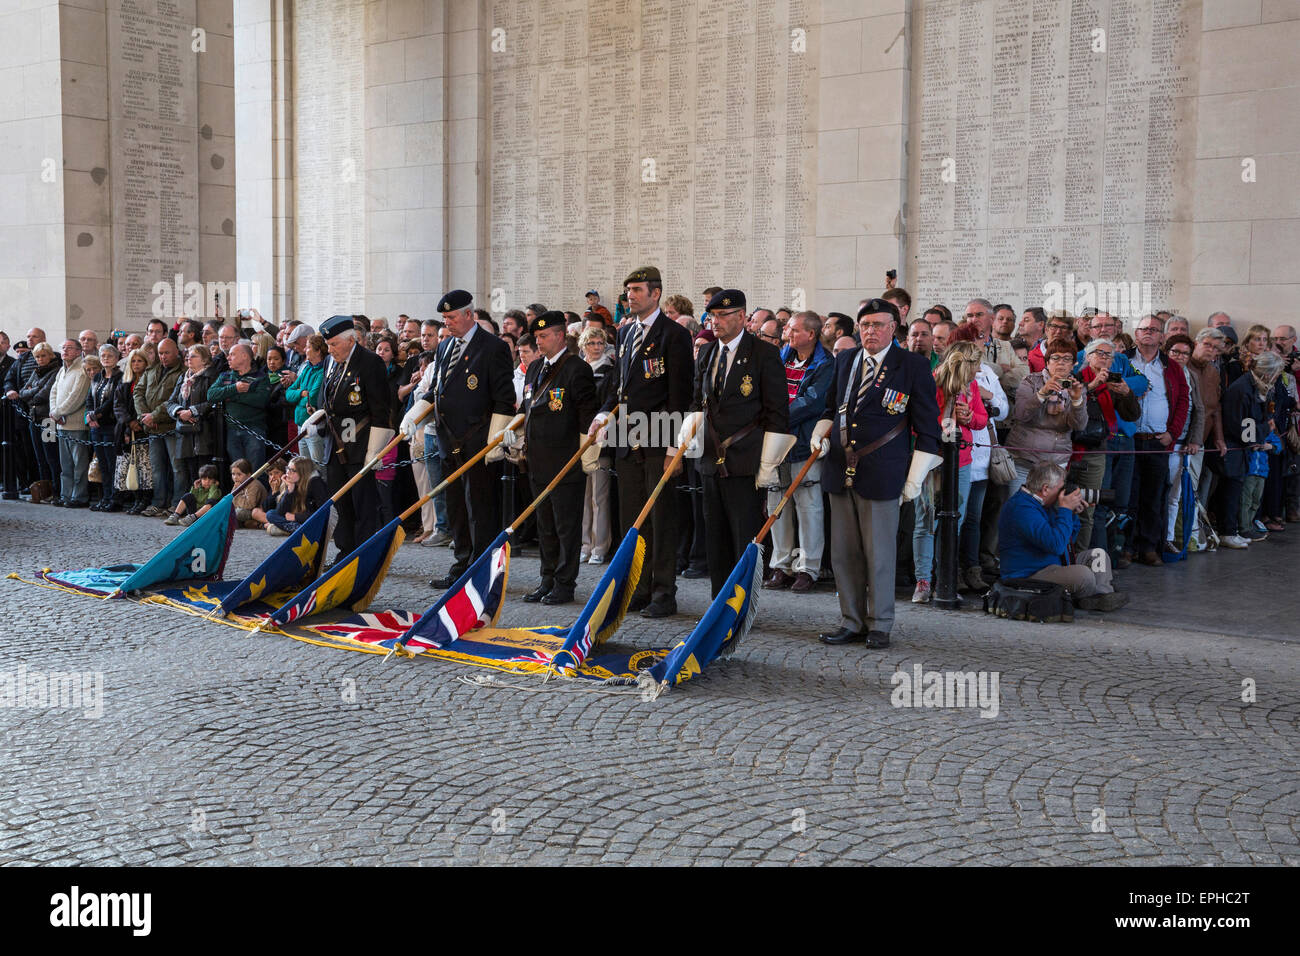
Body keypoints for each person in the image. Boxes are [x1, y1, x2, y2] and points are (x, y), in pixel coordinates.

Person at [814, 298, 941, 648]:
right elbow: (830, 406)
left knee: (879, 554)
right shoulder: (845, 360)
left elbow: (927, 427)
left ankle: (880, 623)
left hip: (884, 471)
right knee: (843, 553)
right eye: (865, 324)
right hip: (841, 469)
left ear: (894, 327)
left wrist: (916, 475)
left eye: (879, 324)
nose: (871, 331)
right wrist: (820, 433)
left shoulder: (911, 366)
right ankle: (851, 620)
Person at [587, 266, 694, 618]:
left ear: (655, 293)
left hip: (658, 437)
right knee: (633, 518)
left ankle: (664, 591)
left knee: (661, 517)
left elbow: (679, 395)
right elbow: (620, 387)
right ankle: (640, 586)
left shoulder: (673, 335)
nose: (629, 296)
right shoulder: (628, 331)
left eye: (636, 289)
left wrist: (672, 450)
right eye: (628, 290)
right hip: (625, 438)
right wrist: (603, 416)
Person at [401, 292, 512, 587]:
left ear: (468, 315)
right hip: (447, 440)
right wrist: (414, 415)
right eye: (445, 319)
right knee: (456, 506)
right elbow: (437, 389)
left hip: (477, 441)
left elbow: (504, 400)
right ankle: (462, 562)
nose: (447, 324)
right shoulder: (446, 345)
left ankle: (481, 566)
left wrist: (495, 443)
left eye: (451, 318)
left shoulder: (493, 348)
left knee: (479, 507)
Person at [687, 290, 790, 598]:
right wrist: (688, 438)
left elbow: (777, 412)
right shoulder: (706, 353)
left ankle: (741, 603)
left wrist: (770, 462)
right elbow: (697, 402)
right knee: (714, 536)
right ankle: (719, 602)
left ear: (742, 318)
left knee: (744, 536)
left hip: (746, 460)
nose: (714, 322)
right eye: (711, 316)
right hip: (710, 459)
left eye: (722, 316)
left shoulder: (763, 354)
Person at [512, 311, 598, 606]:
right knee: (545, 526)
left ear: (560, 336)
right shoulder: (535, 368)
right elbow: (529, 409)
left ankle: (565, 583)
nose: (539, 341)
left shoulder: (576, 369)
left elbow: (587, 419)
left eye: (544, 336)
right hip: (536, 460)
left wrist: (584, 457)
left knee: (566, 527)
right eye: (536, 337)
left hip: (565, 462)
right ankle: (546, 579)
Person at [911, 339, 988, 603]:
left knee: (955, 521)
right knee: (926, 521)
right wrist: (942, 423)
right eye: (976, 365)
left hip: (962, 461)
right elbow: (917, 420)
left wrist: (968, 418)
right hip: (932, 459)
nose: (979, 371)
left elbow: (982, 420)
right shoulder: (932, 382)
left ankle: (944, 579)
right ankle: (923, 580)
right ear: (966, 364)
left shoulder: (972, 387)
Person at [764, 310, 835, 593]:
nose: (788, 334)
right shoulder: (782, 357)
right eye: (787, 329)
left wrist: (776, 417)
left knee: (809, 507)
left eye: (794, 330)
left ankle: (808, 568)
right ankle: (781, 565)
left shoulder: (824, 364)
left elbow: (812, 402)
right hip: (775, 441)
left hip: (803, 442)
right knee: (776, 505)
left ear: (811, 334)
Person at [997, 462, 1128, 610]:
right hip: (1029, 575)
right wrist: (1065, 509)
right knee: (1083, 575)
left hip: (1052, 565)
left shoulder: (1043, 503)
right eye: (1060, 488)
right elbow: (1056, 545)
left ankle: (1101, 595)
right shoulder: (1021, 508)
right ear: (1046, 489)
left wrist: (1071, 514)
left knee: (1098, 554)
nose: (1063, 493)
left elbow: (1067, 540)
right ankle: (1091, 597)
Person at [317, 315, 395, 560]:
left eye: (334, 345)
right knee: (340, 501)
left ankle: (363, 553)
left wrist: (375, 451)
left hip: (361, 445)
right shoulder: (331, 361)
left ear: (351, 340)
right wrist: (317, 421)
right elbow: (326, 397)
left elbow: (381, 410)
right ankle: (345, 550)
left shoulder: (370, 363)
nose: (330, 350)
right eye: (328, 345)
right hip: (335, 444)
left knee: (363, 503)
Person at [1128, 314, 1190, 565]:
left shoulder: (1171, 367)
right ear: (1136, 334)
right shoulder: (1123, 361)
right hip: (1129, 440)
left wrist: (1173, 434)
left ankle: (1149, 547)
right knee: (1128, 496)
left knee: (1154, 497)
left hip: (1157, 441)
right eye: (1144, 329)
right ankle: (1126, 547)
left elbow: (1184, 401)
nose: (1149, 333)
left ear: (1162, 337)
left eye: (1154, 330)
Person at [1069, 338, 1138, 550]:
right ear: (1088, 356)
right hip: (1071, 449)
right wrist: (1092, 386)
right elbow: (1069, 407)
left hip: (1097, 451)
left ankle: (1083, 556)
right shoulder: (1075, 378)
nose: (1105, 358)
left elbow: (1132, 415)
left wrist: (1127, 393)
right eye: (1100, 353)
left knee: (1088, 507)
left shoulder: (1113, 383)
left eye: (1109, 355)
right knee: (1064, 505)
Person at [1216, 350, 1283, 548]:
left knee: (1237, 490)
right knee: (1231, 489)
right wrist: (1266, 428)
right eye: (1276, 373)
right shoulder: (1242, 389)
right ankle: (1227, 531)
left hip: (1244, 446)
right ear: (1268, 373)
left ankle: (1231, 530)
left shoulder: (1258, 386)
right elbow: (1241, 428)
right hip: (1235, 446)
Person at [1006, 340, 1088, 495]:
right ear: (1047, 362)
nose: (1061, 363)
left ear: (1073, 364)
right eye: (1056, 358)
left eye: (1067, 359)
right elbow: (1021, 414)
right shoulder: (1031, 381)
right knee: (1017, 505)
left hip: (1056, 463)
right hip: (1024, 458)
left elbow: (1079, 425)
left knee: (1049, 509)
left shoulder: (1077, 387)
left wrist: (1077, 400)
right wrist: (1043, 392)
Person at [1161, 334, 1206, 551]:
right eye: (1175, 352)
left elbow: (1199, 409)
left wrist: (1195, 440)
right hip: (1161, 441)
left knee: (1175, 496)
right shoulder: (1160, 371)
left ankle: (1169, 538)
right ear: (1167, 352)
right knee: (1158, 493)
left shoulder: (1192, 376)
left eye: (1185, 353)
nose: (1180, 357)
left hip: (1182, 443)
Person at [135, 337, 184, 515]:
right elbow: (138, 392)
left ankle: (176, 503)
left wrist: (154, 415)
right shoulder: (152, 369)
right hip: (152, 428)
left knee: (176, 467)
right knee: (156, 467)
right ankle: (159, 502)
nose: (163, 357)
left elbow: (175, 398)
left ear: (176, 352)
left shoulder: (182, 371)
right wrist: (144, 416)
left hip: (170, 427)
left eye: (167, 353)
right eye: (160, 353)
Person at [579, 326, 616, 564]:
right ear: (583, 345)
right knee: (583, 497)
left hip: (601, 438)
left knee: (599, 497)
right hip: (581, 437)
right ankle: (584, 544)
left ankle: (600, 546)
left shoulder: (609, 371)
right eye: (591, 343)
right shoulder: (577, 369)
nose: (596, 347)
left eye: (599, 343)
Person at [165, 344, 219, 500]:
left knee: (205, 473)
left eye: (193, 356)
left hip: (204, 433)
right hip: (185, 433)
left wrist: (193, 411)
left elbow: (213, 401)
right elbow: (171, 402)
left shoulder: (210, 376)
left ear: (204, 360)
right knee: (189, 473)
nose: (189, 358)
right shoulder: (184, 377)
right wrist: (179, 412)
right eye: (188, 355)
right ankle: (192, 505)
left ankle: (205, 507)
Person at [208, 341, 272, 472]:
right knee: (238, 472)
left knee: (256, 471)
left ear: (244, 356)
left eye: (232, 354)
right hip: (231, 431)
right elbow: (211, 395)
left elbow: (261, 400)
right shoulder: (225, 376)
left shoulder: (260, 377)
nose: (228, 357)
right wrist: (235, 388)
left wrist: (231, 396)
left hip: (254, 430)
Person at [17, 341, 62, 501]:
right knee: (40, 458)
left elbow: (43, 395)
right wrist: (31, 392)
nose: (40, 359)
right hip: (34, 419)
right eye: (37, 356)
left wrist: (32, 391)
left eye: (43, 356)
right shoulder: (36, 372)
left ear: (50, 355)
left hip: (47, 420)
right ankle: (45, 491)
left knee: (51, 457)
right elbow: (22, 392)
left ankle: (56, 491)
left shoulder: (56, 371)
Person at [50, 339, 91, 508]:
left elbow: (77, 397)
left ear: (78, 351)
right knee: (65, 464)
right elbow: (53, 391)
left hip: (76, 425)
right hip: (60, 424)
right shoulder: (62, 369)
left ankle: (79, 496)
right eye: (63, 348)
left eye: (69, 348)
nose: (64, 351)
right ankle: (66, 494)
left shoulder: (82, 369)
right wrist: (54, 412)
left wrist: (59, 412)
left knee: (79, 464)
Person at [113, 348, 154, 514]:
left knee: (145, 468)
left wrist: (139, 422)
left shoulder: (150, 380)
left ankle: (145, 499)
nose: (136, 364)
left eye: (140, 361)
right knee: (130, 467)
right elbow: (118, 405)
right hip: (126, 430)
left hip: (144, 430)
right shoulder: (124, 383)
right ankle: (135, 499)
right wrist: (129, 422)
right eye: (133, 361)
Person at [87, 344, 123, 510]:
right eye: (103, 355)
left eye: (109, 355)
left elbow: (112, 402)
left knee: (112, 463)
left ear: (116, 358)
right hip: (96, 426)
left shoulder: (120, 377)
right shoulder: (97, 377)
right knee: (101, 464)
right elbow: (89, 399)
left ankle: (115, 499)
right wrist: (89, 415)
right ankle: (105, 497)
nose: (106, 358)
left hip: (110, 425)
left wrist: (96, 415)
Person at [261, 456, 328, 536]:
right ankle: (299, 530)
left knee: (272, 523)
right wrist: (290, 489)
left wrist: (295, 517)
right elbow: (280, 512)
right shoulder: (293, 481)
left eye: (292, 470)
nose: (288, 473)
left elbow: (322, 513)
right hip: (298, 519)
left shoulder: (316, 484)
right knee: (270, 514)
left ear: (303, 473)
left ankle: (298, 530)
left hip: (312, 520)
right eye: (288, 469)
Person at [288, 333, 327, 466]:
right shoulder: (306, 369)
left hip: (313, 425)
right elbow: (288, 393)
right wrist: (300, 394)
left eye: (308, 347)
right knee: (304, 469)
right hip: (300, 424)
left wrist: (301, 395)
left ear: (318, 351)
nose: (304, 350)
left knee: (317, 467)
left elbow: (312, 398)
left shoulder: (322, 372)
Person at [230, 458, 267, 528]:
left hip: (256, 511)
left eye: (239, 474)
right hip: (245, 509)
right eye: (233, 474)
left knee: (238, 512)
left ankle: (256, 523)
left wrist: (238, 493)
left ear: (249, 475)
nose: (235, 477)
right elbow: (232, 501)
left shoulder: (254, 484)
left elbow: (249, 505)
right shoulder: (239, 484)